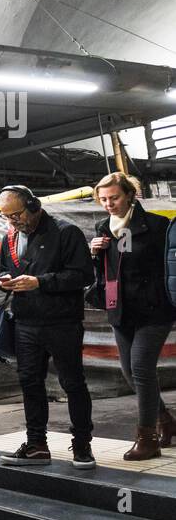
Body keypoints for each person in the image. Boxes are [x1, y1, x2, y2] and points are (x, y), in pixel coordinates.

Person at [0, 185, 96, 469]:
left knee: (73, 383)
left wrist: (40, 282)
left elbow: (83, 275)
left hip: (62, 322)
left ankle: (82, 445)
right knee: (30, 383)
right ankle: (37, 444)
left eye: (16, 215)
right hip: (26, 322)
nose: (13, 222)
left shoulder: (67, 232)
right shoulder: (11, 237)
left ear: (34, 205)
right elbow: (2, 269)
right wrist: (3, 281)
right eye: (6, 217)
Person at [89, 172, 175, 461]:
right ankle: (166, 419)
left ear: (129, 195)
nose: (109, 204)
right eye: (103, 199)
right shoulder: (103, 228)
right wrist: (95, 253)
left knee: (141, 369)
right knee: (129, 372)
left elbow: (169, 266)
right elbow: (107, 272)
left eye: (114, 197)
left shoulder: (157, 225)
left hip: (154, 310)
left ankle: (147, 438)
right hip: (121, 310)